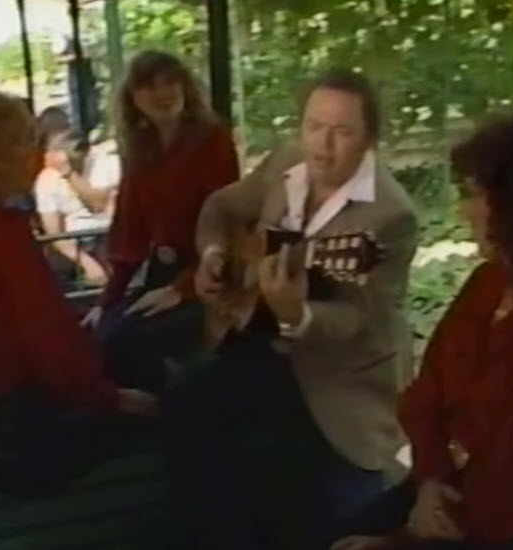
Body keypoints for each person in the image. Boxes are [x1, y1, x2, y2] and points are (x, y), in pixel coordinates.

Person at [328, 109, 513, 550]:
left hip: (494, 531)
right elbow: (426, 395)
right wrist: (430, 480)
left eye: (474, 194)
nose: (462, 210)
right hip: (435, 491)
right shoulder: (489, 283)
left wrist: (399, 540)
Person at [163, 68, 417, 549]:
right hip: (261, 340)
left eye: (342, 132)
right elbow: (221, 207)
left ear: (369, 139)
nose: (322, 145)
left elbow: (362, 321)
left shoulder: (391, 215)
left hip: (341, 373)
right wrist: (214, 255)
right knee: (184, 403)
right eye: (313, 126)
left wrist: (298, 313)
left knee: (306, 497)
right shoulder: (285, 163)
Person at [0, 89, 157, 497]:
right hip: (22, 436)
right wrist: (113, 399)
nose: (37, 154)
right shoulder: (1, 235)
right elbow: (45, 342)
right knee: (177, 403)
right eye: (25, 142)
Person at [81, 50, 239, 393]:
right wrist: (106, 303)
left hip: (210, 273)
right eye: (149, 86)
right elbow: (129, 235)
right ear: (134, 99)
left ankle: (163, 414)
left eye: (170, 82)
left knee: (134, 342)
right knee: (100, 338)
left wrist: (181, 288)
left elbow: (228, 223)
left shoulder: (212, 140)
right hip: (162, 273)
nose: (163, 93)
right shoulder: (140, 150)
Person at [34, 129, 116, 286]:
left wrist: (69, 174)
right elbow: (54, 234)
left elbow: (98, 205)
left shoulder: (103, 161)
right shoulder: (46, 180)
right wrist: (86, 262)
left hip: (107, 237)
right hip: (74, 247)